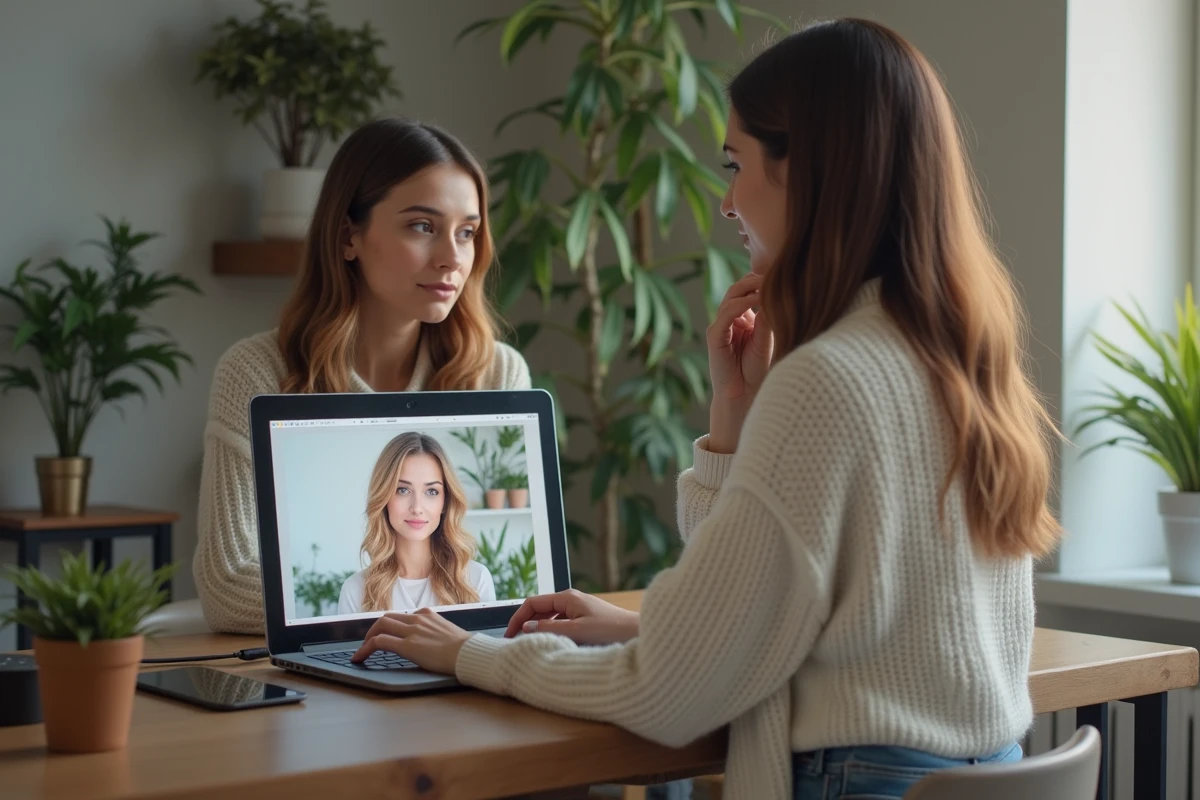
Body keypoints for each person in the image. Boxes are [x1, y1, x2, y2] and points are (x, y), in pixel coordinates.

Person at [346, 18, 1062, 800]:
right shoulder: (963, 363)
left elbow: (670, 695)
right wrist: (734, 418)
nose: (727, 201)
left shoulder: (830, 379)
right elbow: (808, 619)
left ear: (812, 172)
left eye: (737, 163)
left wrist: (470, 655)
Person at [194, 118, 530, 634]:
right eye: (423, 226)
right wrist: (402, 619)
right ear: (349, 235)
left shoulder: (498, 371)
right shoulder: (257, 372)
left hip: (469, 669)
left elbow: (526, 592)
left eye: (467, 232)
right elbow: (226, 585)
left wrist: (372, 616)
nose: (452, 258)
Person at [337, 432, 496, 614]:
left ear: (446, 502)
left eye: (432, 492)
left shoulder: (474, 580)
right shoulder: (355, 590)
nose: (417, 507)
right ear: (384, 498)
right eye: (402, 490)